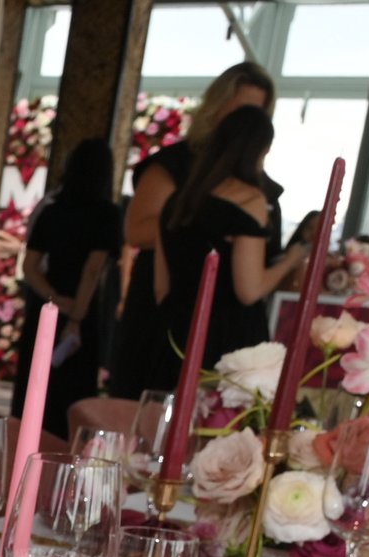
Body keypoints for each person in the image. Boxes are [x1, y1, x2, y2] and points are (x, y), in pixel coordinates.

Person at [109, 61, 277, 399]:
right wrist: (205, 221)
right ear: (218, 107)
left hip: (232, 329)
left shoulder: (258, 185)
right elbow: (136, 231)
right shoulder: (175, 164)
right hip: (170, 314)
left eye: (257, 113)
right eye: (240, 109)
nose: (245, 121)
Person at [156, 107, 310, 381]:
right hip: (228, 342)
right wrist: (290, 261)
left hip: (176, 334)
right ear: (261, 150)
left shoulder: (178, 201)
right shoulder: (249, 200)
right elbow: (249, 291)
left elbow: (161, 288)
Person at [14, 137, 123, 437]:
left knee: (35, 391)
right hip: (82, 309)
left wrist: (53, 298)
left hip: (46, 306)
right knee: (70, 399)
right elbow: (92, 270)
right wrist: (76, 315)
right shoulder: (107, 214)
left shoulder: (52, 211)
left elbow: (30, 267)